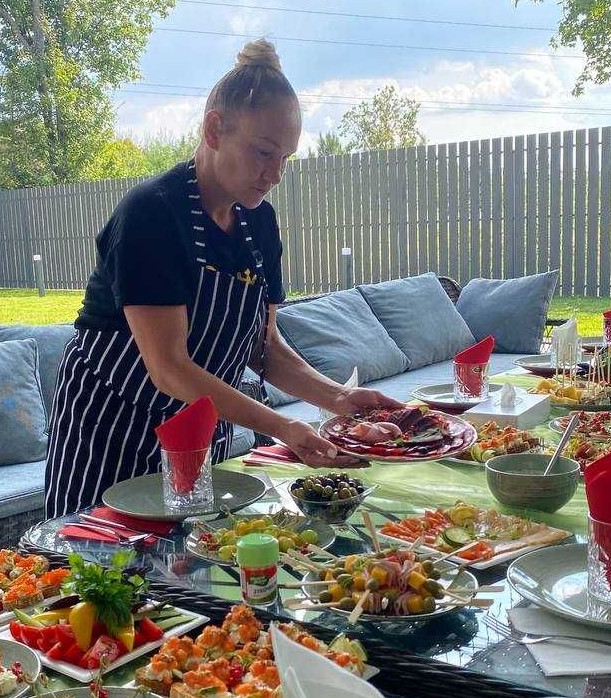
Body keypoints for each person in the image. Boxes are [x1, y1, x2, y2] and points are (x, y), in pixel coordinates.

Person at [45, 39, 401, 517]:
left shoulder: (260, 222)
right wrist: (284, 427)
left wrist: (339, 398)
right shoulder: (152, 215)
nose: (275, 173)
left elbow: (264, 349)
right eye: (263, 153)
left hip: (198, 431)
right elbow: (169, 367)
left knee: (185, 569)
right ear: (214, 128)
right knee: (95, 574)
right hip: (113, 427)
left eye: (286, 159)